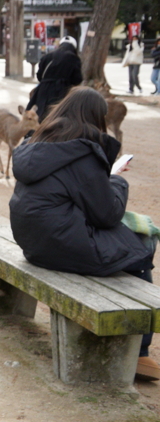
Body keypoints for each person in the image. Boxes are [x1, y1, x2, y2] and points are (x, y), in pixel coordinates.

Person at [9, 87, 158, 381]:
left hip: (32, 243)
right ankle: (138, 351)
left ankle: (129, 343)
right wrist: (115, 179)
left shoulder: (38, 143)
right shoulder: (82, 152)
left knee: (124, 241)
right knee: (142, 244)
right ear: (94, 118)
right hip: (61, 245)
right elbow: (107, 214)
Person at [26, 36, 82, 121]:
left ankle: (33, 133)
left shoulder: (47, 56)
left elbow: (39, 76)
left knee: (39, 113)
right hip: (62, 90)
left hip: (43, 89)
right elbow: (77, 79)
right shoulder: (74, 58)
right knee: (58, 115)